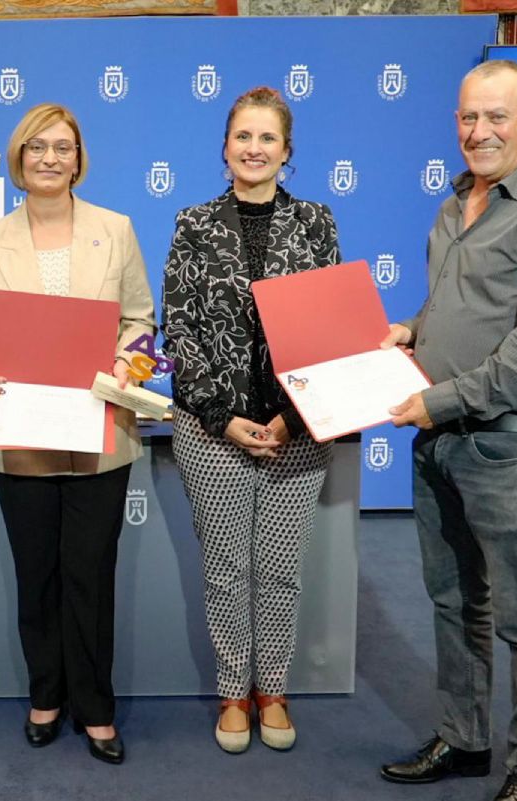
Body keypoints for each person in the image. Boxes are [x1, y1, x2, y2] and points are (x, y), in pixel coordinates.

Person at [379, 60, 517, 801]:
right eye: (468, 117)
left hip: (507, 444)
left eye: (497, 117)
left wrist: (439, 400)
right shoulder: (455, 206)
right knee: (453, 601)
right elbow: (458, 306)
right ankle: (466, 736)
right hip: (438, 439)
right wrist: (409, 331)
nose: (478, 132)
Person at [0, 102, 156, 765]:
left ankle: (95, 707)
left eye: (63, 147)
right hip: (22, 430)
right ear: (18, 158)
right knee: (36, 571)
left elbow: (140, 321)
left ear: (80, 158)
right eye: (37, 147)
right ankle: (46, 694)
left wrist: (128, 363)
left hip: (98, 426)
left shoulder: (115, 228)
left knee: (91, 573)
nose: (50, 158)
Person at [161, 86, 340, 755]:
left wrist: (293, 416)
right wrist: (223, 414)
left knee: (281, 569)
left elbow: (329, 327)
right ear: (225, 147)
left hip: (297, 429)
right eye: (244, 136)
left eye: (268, 138)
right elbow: (177, 329)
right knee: (227, 568)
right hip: (214, 432)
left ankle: (275, 688)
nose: (255, 148)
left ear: (286, 152)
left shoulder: (318, 223)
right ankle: (234, 690)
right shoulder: (193, 224)